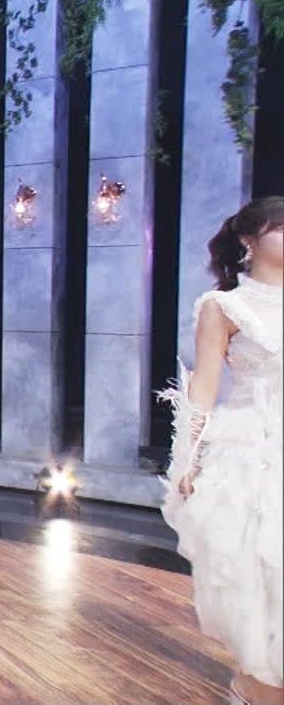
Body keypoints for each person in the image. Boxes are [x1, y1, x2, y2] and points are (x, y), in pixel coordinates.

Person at [162, 196, 283, 705]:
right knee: (259, 568)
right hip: (252, 445)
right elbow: (204, 390)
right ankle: (257, 681)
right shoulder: (224, 306)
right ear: (249, 239)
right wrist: (187, 460)